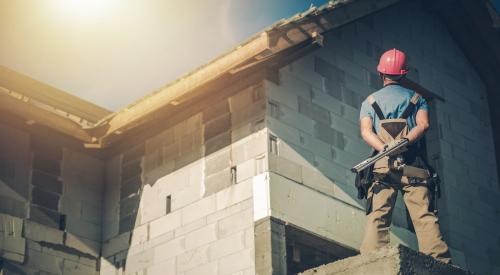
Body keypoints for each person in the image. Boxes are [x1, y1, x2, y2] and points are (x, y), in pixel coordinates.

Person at [358, 48, 451, 263]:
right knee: (423, 215)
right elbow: (424, 124)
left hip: (381, 167)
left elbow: (365, 132)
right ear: (403, 73)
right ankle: (440, 262)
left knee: (378, 215)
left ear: (381, 73)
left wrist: (384, 149)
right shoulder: (417, 99)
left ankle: (373, 262)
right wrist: (405, 141)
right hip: (413, 166)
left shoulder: (369, 102)